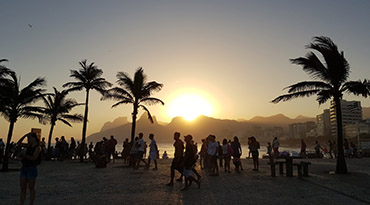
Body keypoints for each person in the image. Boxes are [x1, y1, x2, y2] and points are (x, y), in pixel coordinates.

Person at [17, 132, 41, 205]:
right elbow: (19, 143)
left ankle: (31, 203)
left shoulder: (38, 147)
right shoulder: (28, 146)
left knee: (31, 188)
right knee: (23, 188)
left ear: (33, 138)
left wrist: (24, 155)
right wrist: (25, 135)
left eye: (29, 137)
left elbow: (33, 158)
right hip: (25, 167)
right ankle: (22, 203)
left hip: (31, 168)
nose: (28, 139)